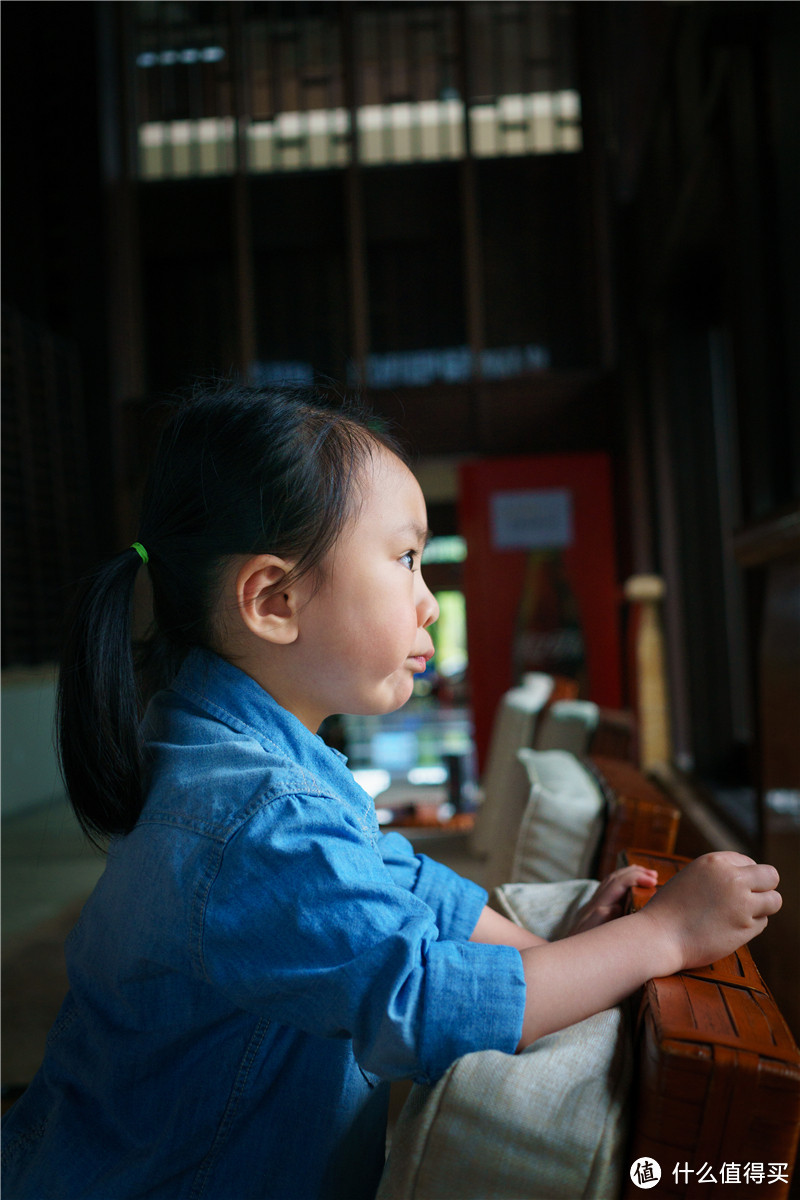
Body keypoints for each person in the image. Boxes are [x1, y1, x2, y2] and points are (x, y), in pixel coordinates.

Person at [2, 384, 781, 1200]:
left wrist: (553, 952)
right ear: (275, 601)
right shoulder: (253, 817)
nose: (427, 602)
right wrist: (663, 938)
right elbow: (416, 1003)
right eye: (406, 559)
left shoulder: (238, 749)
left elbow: (399, 878)